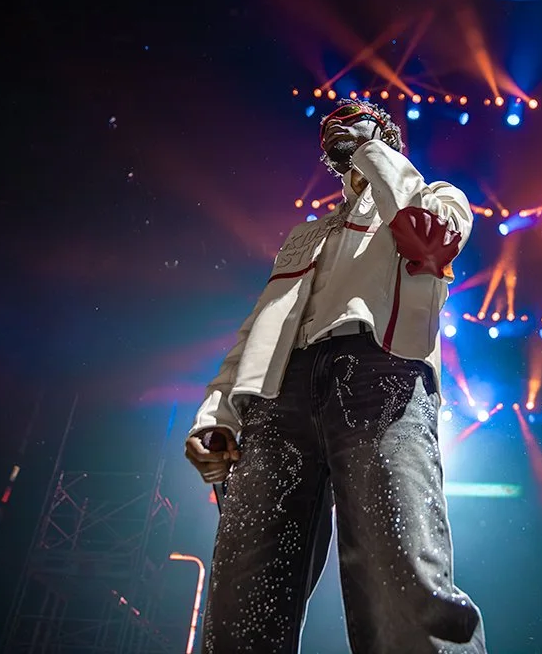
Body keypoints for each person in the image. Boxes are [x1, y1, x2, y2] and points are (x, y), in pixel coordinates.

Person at [185, 99, 486, 653]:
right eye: (335, 129)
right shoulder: (307, 234)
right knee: (243, 596)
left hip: (379, 376)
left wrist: (374, 152)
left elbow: (427, 237)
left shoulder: (438, 197)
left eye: (355, 123)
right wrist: (219, 409)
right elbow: (260, 326)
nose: (340, 131)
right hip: (279, 397)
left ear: (383, 139)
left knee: (401, 577)